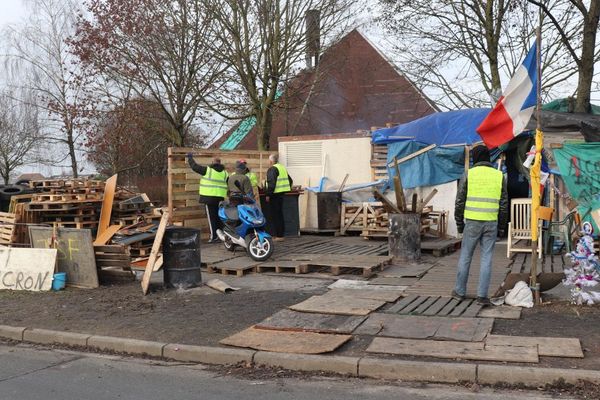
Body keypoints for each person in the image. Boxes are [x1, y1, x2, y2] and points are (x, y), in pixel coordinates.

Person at [453, 145, 508, 306]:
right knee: (487, 258)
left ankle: (459, 292)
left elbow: (459, 201)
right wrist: (502, 228)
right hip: (491, 222)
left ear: (475, 158)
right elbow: (504, 204)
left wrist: (459, 224)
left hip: (472, 222)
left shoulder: (469, 174)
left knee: (466, 256)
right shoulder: (499, 176)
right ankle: (482, 296)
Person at [187, 154, 228, 243]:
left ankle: (213, 237)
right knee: (219, 217)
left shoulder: (208, 170)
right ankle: (221, 236)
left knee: (211, 218)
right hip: (220, 198)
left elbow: (194, 167)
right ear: (220, 163)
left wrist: (190, 158)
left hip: (209, 198)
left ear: (212, 163)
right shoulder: (225, 173)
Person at [264, 153, 293, 241]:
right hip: (281, 194)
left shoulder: (272, 169)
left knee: (274, 216)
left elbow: (271, 183)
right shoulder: (282, 168)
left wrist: (268, 194)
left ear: (271, 161)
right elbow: (290, 181)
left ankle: (276, 236)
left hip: (274, 195)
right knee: (279, 215)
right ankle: (280, 235)